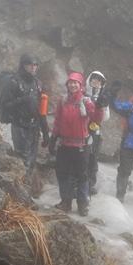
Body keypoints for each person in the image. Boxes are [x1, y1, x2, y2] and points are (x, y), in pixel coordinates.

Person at [48, 72, 105, 216]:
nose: (72, 85)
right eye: (70, 82)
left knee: (82, 175)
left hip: (81, 146)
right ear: (67, 84)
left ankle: (82, 205)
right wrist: (53, 138)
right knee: (63, 174)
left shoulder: (86, 101)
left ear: (80, 85)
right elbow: (58, 121)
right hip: (64, 144)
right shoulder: (63, 101)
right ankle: (65, 202)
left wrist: (100, 107)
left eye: (75, 83)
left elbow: (96, 119)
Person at [0, 53, 50, 172]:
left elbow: (42, 110)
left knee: (31, 161)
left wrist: (45, 132)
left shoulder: (38, 83)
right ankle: (21, 181)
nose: (33, 67)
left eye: (35, 65)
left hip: (35, 126)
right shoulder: (13, 82)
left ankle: (28, 180)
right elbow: (4, 105)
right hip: (19, 125)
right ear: (23, 65)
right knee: (22, 160)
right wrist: (22, 100)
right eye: (30, 64)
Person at [85, 71, 110, 195]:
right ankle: (78, 183)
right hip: (81, 130)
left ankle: (90, 184)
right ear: (89, 80)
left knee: (93, 159)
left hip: (95, 132)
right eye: (94, 79)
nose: (96, 82)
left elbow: (106, 117)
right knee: (81, 157)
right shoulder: (83, 94)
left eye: (99, 81)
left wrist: (102, 106)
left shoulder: (103, 97)